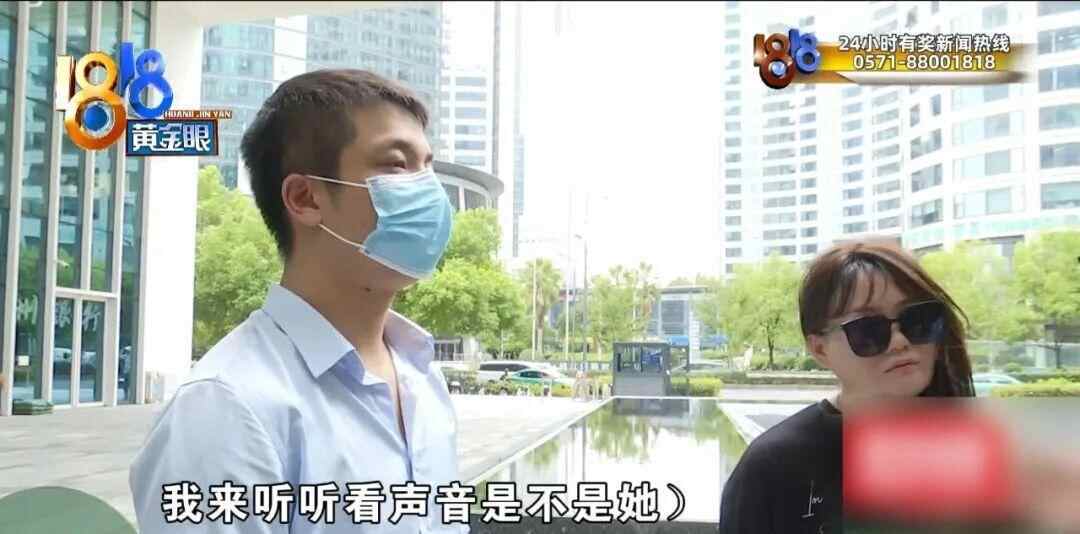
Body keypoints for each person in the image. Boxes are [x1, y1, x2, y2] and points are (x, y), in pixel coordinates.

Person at [130, 70, 466, 533]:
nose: (429, 192)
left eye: (426, 166)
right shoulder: (225, 409)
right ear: (305, 198)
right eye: (395, 165)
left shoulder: (421, 375)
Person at [719, 240, 974, 534]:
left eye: (918, 320)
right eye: (869, 329)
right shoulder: (773, 466)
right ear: (820, 349)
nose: (900, 341)